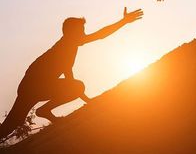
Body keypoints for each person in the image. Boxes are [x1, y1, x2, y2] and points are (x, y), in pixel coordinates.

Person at [0, 7, 143, 140]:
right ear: (71, 32)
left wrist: (84, 97)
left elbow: (68, 73)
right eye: (81, 30)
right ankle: (44, 111)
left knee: (14, 122)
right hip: (32, 85)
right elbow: (100, 35)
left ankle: (44, 111)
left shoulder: (68, 45)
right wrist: (123, 22)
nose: (84, 33)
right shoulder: (68, 43)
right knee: (14, 122)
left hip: (32, 85)